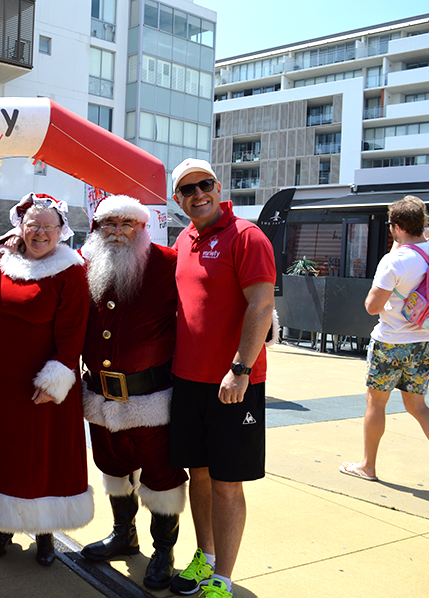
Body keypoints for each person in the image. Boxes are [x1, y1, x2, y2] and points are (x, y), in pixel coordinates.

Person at [0, 193, 92, 567]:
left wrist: (55, 379)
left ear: (62, 230)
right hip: (2, 382)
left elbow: (74, 333)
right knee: (5, 455)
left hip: (42, 383)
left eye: (49, 226)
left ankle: (45, 533)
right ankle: (3, 527)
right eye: (33, 224)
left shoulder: (70, 272)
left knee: (42, 456)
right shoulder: (2, 265)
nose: (40, 232)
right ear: (21, 226)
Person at [168, 159, 275, 598]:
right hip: (188, 381)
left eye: (205, 184)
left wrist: (240, 369)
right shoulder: (184, 238)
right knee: (199, 474)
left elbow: (261, 305)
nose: (198, 194)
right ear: (178, 200)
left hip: (233, 382)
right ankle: (206, 558)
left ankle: (222, 580)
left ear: (218, 186)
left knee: (228, 482)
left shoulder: (247, 236)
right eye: (187, 189)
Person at [78, 195, 188, 590]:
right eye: (109, 224)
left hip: (151, 398)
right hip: (99, 396)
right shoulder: (84, 264)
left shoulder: (168, 262)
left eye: (127, 224)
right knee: (112, 466)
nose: (117, 231)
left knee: (161, 478)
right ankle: (123, 535)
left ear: (143, 228)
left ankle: (163, 552)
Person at [339, 196, 429, 497]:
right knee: (419, 407)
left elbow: (372, 306)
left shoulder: (394, 261)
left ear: (396, 227)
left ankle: (367, 466)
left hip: (391, 342)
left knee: (376, 404)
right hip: (427, 340)